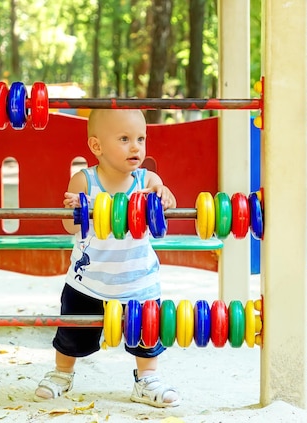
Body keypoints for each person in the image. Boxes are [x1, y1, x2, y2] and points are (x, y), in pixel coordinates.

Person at [34, 109, 180, 408]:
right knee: (73, 331)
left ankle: (147, 379)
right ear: (96, 146)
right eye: (124, 139)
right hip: (88, 281)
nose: (136, 147)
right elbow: (69, 227)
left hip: (138, 279)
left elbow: (165, 206)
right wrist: (78, 209)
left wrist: (164, 195)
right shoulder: (84, 180)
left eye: (141, 138)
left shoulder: (147, 180)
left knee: (146, 334)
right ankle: (62, 373)